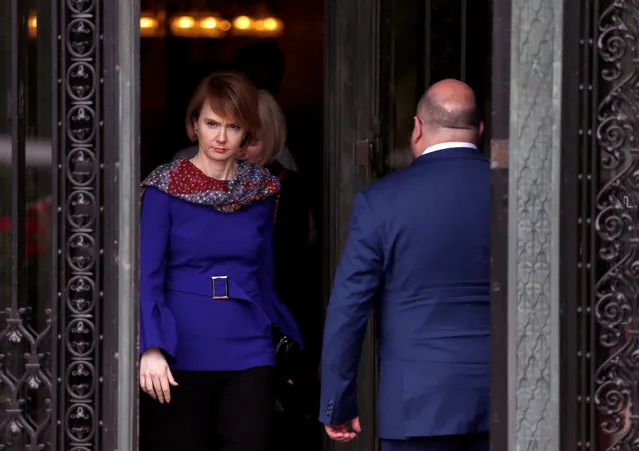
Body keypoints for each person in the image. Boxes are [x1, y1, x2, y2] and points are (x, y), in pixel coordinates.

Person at [318, 79, 490, 451]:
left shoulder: (380, 202)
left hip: (417, 406)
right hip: (508, 398)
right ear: (480, 130)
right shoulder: (518, 195)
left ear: (417, 128)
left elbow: (348, 310)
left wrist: (337, 401)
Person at [138, 72, 302, 451]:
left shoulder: (261, 190)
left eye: (233, 126)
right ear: (195, 124)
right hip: (181, 348)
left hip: (250, 346)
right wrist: (150, 347)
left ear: (247, 131)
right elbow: (148, 275)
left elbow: (265, 276)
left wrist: (282, 343)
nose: (221, 137)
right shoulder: (165, 187)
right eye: (212, 123)